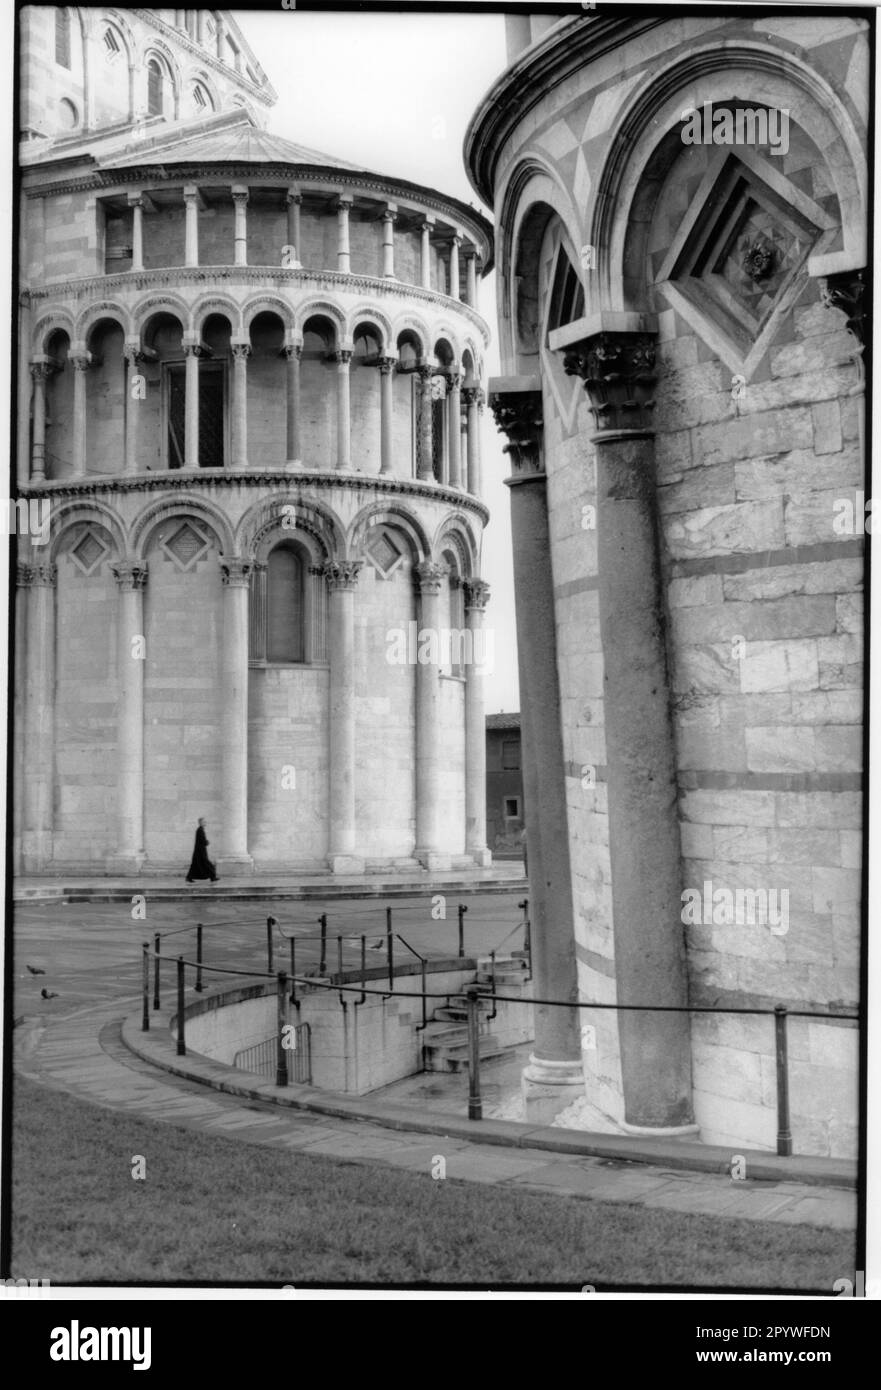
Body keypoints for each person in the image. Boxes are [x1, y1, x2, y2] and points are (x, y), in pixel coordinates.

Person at [186, 818, 218, 883]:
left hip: (200, 852)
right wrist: (207, 842)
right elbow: (202, 841)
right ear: (200, 823)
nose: (205, 823)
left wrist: (205, 842)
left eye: (205, 822)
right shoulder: (200, 830)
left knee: (196, 865)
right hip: (200, 852)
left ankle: (189, 877)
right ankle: (212, 877)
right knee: (207, 865)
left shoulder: (200, 830)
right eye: (204, 822)